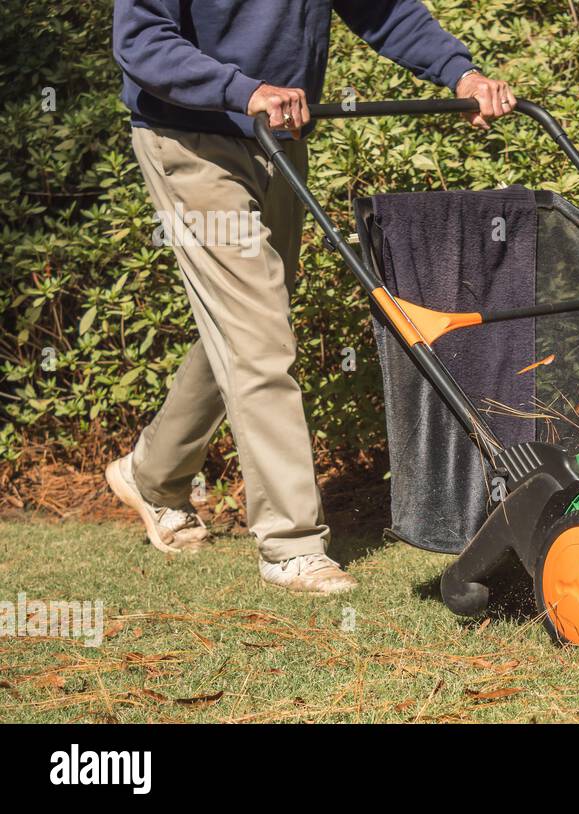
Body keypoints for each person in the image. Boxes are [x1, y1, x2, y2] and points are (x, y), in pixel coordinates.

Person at [105, 0, 515, 594]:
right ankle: (290, 544)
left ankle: (154, 474)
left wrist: (461, 73)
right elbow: (140, 41)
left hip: (275, 136)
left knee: (248, 322)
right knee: (257, 333)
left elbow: (385, 12)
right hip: (190, 140)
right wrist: (242, 90)